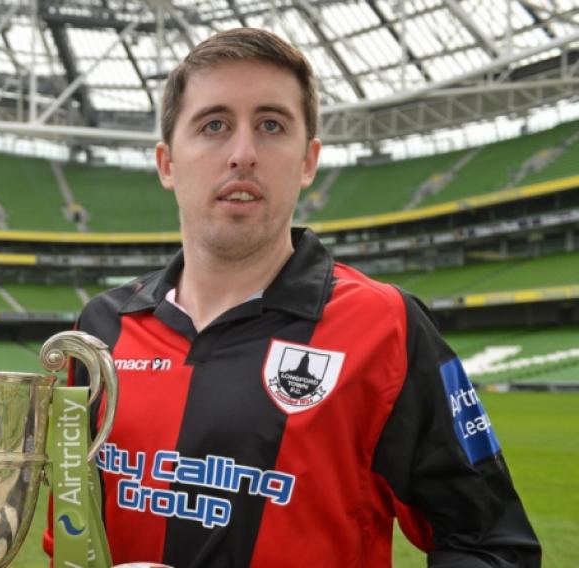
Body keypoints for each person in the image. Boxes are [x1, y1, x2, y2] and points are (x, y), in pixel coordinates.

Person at [45, 28, 541, 567]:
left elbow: (494, 547)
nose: (243, 154)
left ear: (308, 160)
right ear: (167, 163)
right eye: (214, 125)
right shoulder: (98, 332)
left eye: (271, 125)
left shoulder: (385, 327)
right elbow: (70, 538)